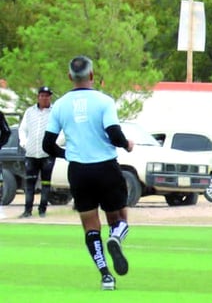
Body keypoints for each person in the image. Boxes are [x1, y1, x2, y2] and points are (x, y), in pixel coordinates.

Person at [41, 56, 134, 291]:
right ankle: (116, 239)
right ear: (92, 76)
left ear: (70, 77)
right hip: (106, 167)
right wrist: (127, 144)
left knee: (90, 226)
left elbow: (47, 145)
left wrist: (69, 154)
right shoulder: (104, 101)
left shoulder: (60, 105)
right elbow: (113, 133)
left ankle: (106, 276)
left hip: (79, 171)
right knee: (119, 219)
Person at [19, 86, 56, 218]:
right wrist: (24, 143)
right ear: (38, 97)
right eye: (42, 95)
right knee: (30, 183)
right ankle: (27, 210)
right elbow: (23, 129)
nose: (44, 98)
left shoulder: (54, 112)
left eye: (47, 96)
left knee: (46, 183)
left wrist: (56, 144)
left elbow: (61, 130)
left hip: (47, 154)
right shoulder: (29, 112)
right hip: (31, 153)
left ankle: (42, 210)